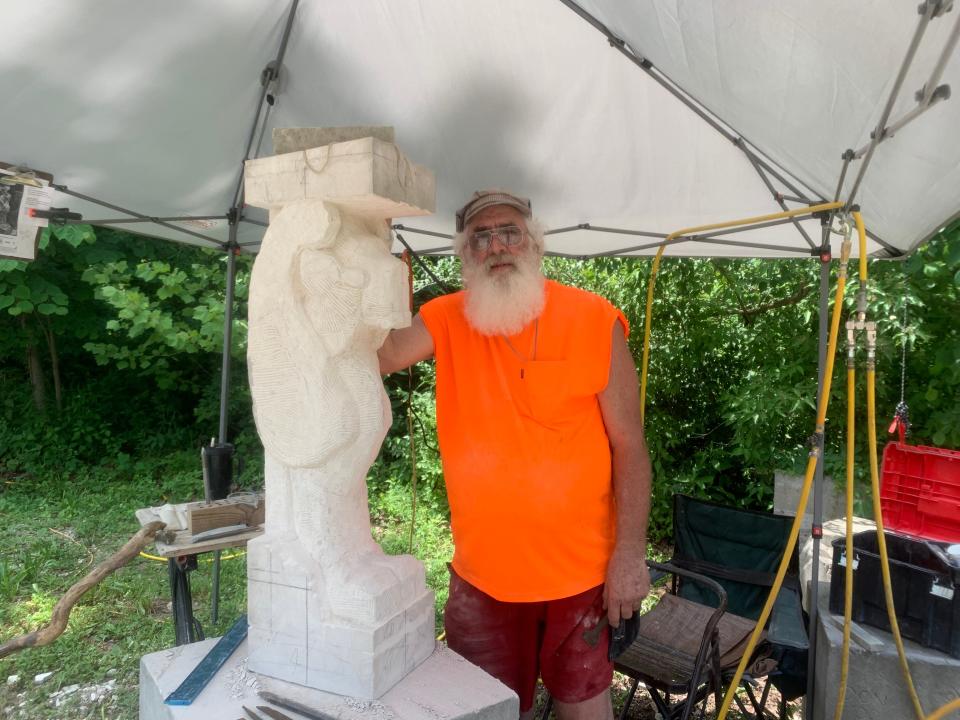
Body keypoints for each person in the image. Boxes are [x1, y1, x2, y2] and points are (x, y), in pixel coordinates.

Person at [378, 190, 651, 720]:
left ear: (535, 244)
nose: (497, 246)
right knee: (489, 712)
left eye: (509, 232)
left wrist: (629, 558)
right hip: (484, 580)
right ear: (464, 255)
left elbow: (631, 447)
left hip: (583, 578)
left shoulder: (595, 319)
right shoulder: (446, 317)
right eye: (480, 237)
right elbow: (384, 354)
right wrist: (377, 255)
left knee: (587, 710)